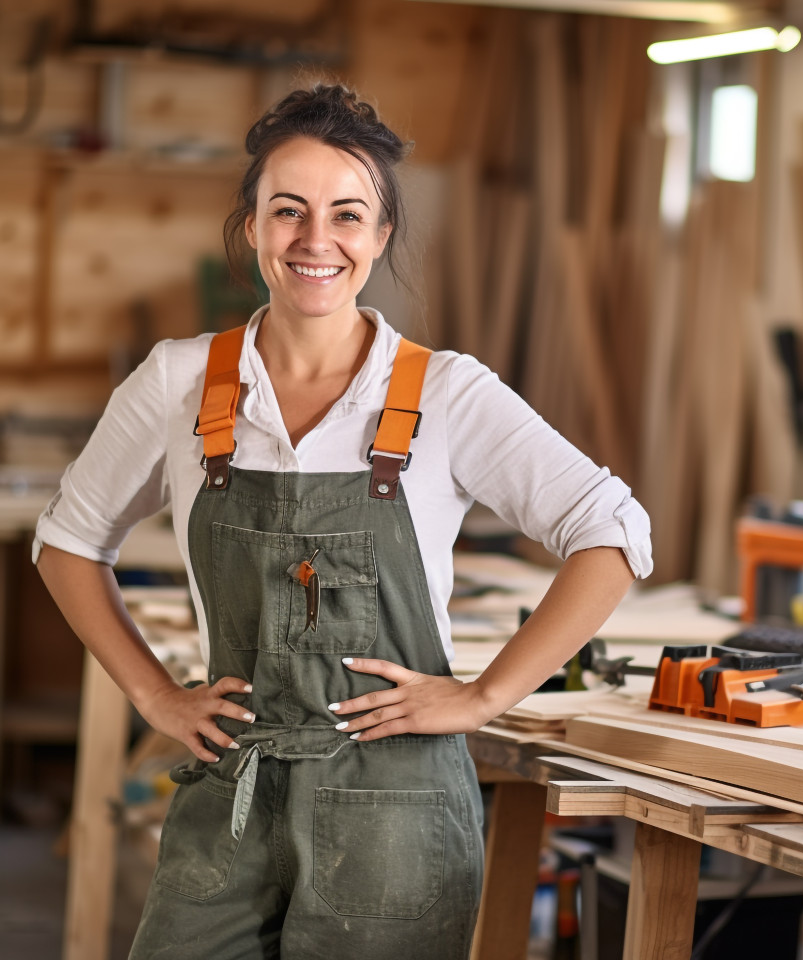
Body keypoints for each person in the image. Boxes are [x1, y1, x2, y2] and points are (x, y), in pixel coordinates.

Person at [35, 81, 652, 959]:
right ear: (251, 225)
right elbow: (67, 543)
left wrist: (484, 696)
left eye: (347, 215)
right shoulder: (179, 382)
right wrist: (154, 694)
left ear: (381, 235)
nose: (315, 240)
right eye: (288, 211)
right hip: (233, 792)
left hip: (395, 813)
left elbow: (613, 530)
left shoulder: (445, 393)